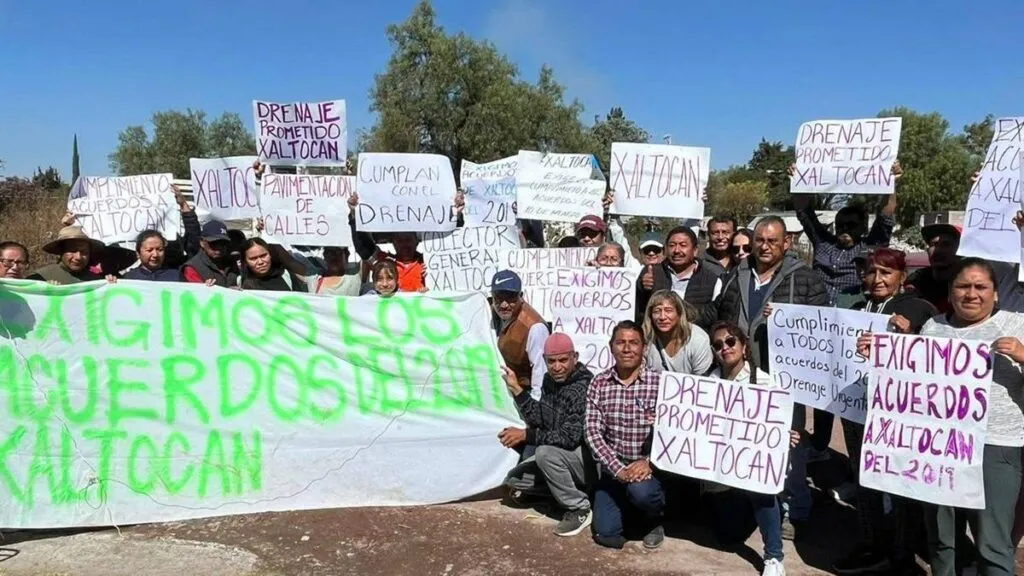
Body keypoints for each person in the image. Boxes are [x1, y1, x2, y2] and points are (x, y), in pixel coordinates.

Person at [857, 257, 1024, 576]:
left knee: (994, 544)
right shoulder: (934, 328)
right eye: (963, 286)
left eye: (980, 287)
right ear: (951, 290)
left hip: (996, 447)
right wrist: (882, 354)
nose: (971, 294)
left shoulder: (1017, 325)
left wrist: (1022, 354)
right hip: (938, 450)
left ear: (996, 294)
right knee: (942, 539)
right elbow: (911, 380)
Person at [716, 216, 827, 537]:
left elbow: (820, 331)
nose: (764, 247)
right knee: (744, 440)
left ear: (787, 243)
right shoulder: (736, 275)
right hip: (741, 378)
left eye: (772, 241)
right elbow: (720, 314)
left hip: (785, 383)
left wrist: (791, 319)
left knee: (789, 447)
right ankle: (751, 502)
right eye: (759, 240)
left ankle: (795, 508)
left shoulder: (806, 280)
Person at [830, 248, 936, 575]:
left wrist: (911, 337)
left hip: (899, 415)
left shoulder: (919, 310)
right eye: (872, 272)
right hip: (857, 409)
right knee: (865, 481)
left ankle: (902, 554)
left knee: (901, 485)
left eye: (886, 273)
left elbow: (935, 358)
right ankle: (872, 544)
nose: (878, 279)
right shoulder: (857, 309)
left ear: (901, 277)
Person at [707, 321, 793, 576]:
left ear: (744, 347)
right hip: (724, 467)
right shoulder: (709, 383)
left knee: (760, 491)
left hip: (755, 466)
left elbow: (779, 424)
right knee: (726, 537)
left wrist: (788, 434)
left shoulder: (765, 383)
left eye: (731, 341)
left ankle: (774, 556)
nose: (725, 347)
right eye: (718, 344)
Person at [500, 333, 595, 537]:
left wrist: (527, 435)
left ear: (574, 358)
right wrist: (517, 389)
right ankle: (565, 493)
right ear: (545, 361)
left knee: (543, 453)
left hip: (585, 460)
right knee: (515, 480)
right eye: (551, 361)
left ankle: (579, 508)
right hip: (560, 457)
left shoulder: (583, 387)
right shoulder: (549, 380)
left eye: (563, 360)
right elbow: (540, 419)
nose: (557, 367)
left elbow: (570, 438)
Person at [585, 320, 665, 550]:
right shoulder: (599, 383)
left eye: (634, 343)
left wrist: (649, 462)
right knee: (606, 534)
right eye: (621, 343)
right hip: (614, 469)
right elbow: (592, 431)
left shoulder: (660, 383)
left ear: (644, 347)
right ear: (611, 347)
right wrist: (618, 469)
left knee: (642, 493)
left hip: (649, 470)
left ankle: (655, 519)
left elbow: (671, 433)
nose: (627, 349)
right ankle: (627, 510)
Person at [636, 226, 721, 330]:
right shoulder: (651, 272)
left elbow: (713, 316)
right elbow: (638, 309)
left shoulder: (711, 280)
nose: (676, 250)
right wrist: (641, 288)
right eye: (672, 245)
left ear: (695, 250)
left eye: (683, 245)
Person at [491, 270, 549, 399]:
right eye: (499, 298)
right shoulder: (489, 314)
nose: (504, 305)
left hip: (522, 394)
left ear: (520, 296)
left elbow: (540, 373)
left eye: (510, 298)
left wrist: (534, 408)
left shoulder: (534, 327)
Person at [642, 290, 713, 376]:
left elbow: (703, 381)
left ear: (679, 314)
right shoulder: (646, 338)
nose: (662, 317)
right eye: (657, 311)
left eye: (668, 310)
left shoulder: (698, 339)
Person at [28, 226, 105, 284]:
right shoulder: (41, 278)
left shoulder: (96, 281)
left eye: (84, 252)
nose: (78, 257)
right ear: (61, 251)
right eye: (72, 250)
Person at [181, 220, 241, 287]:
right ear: (202, 242)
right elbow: (196, 294)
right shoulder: (192, 268)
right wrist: (205, 289)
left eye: (223, 243)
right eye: (214, 244)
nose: (219, 249)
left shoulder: (232, 262)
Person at [239, 238, 306, 292]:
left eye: (263, 256)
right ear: (245, 262)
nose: (260, 262)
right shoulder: (241, 283)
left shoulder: (285, 274)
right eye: (253, 259)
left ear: (270, 254)